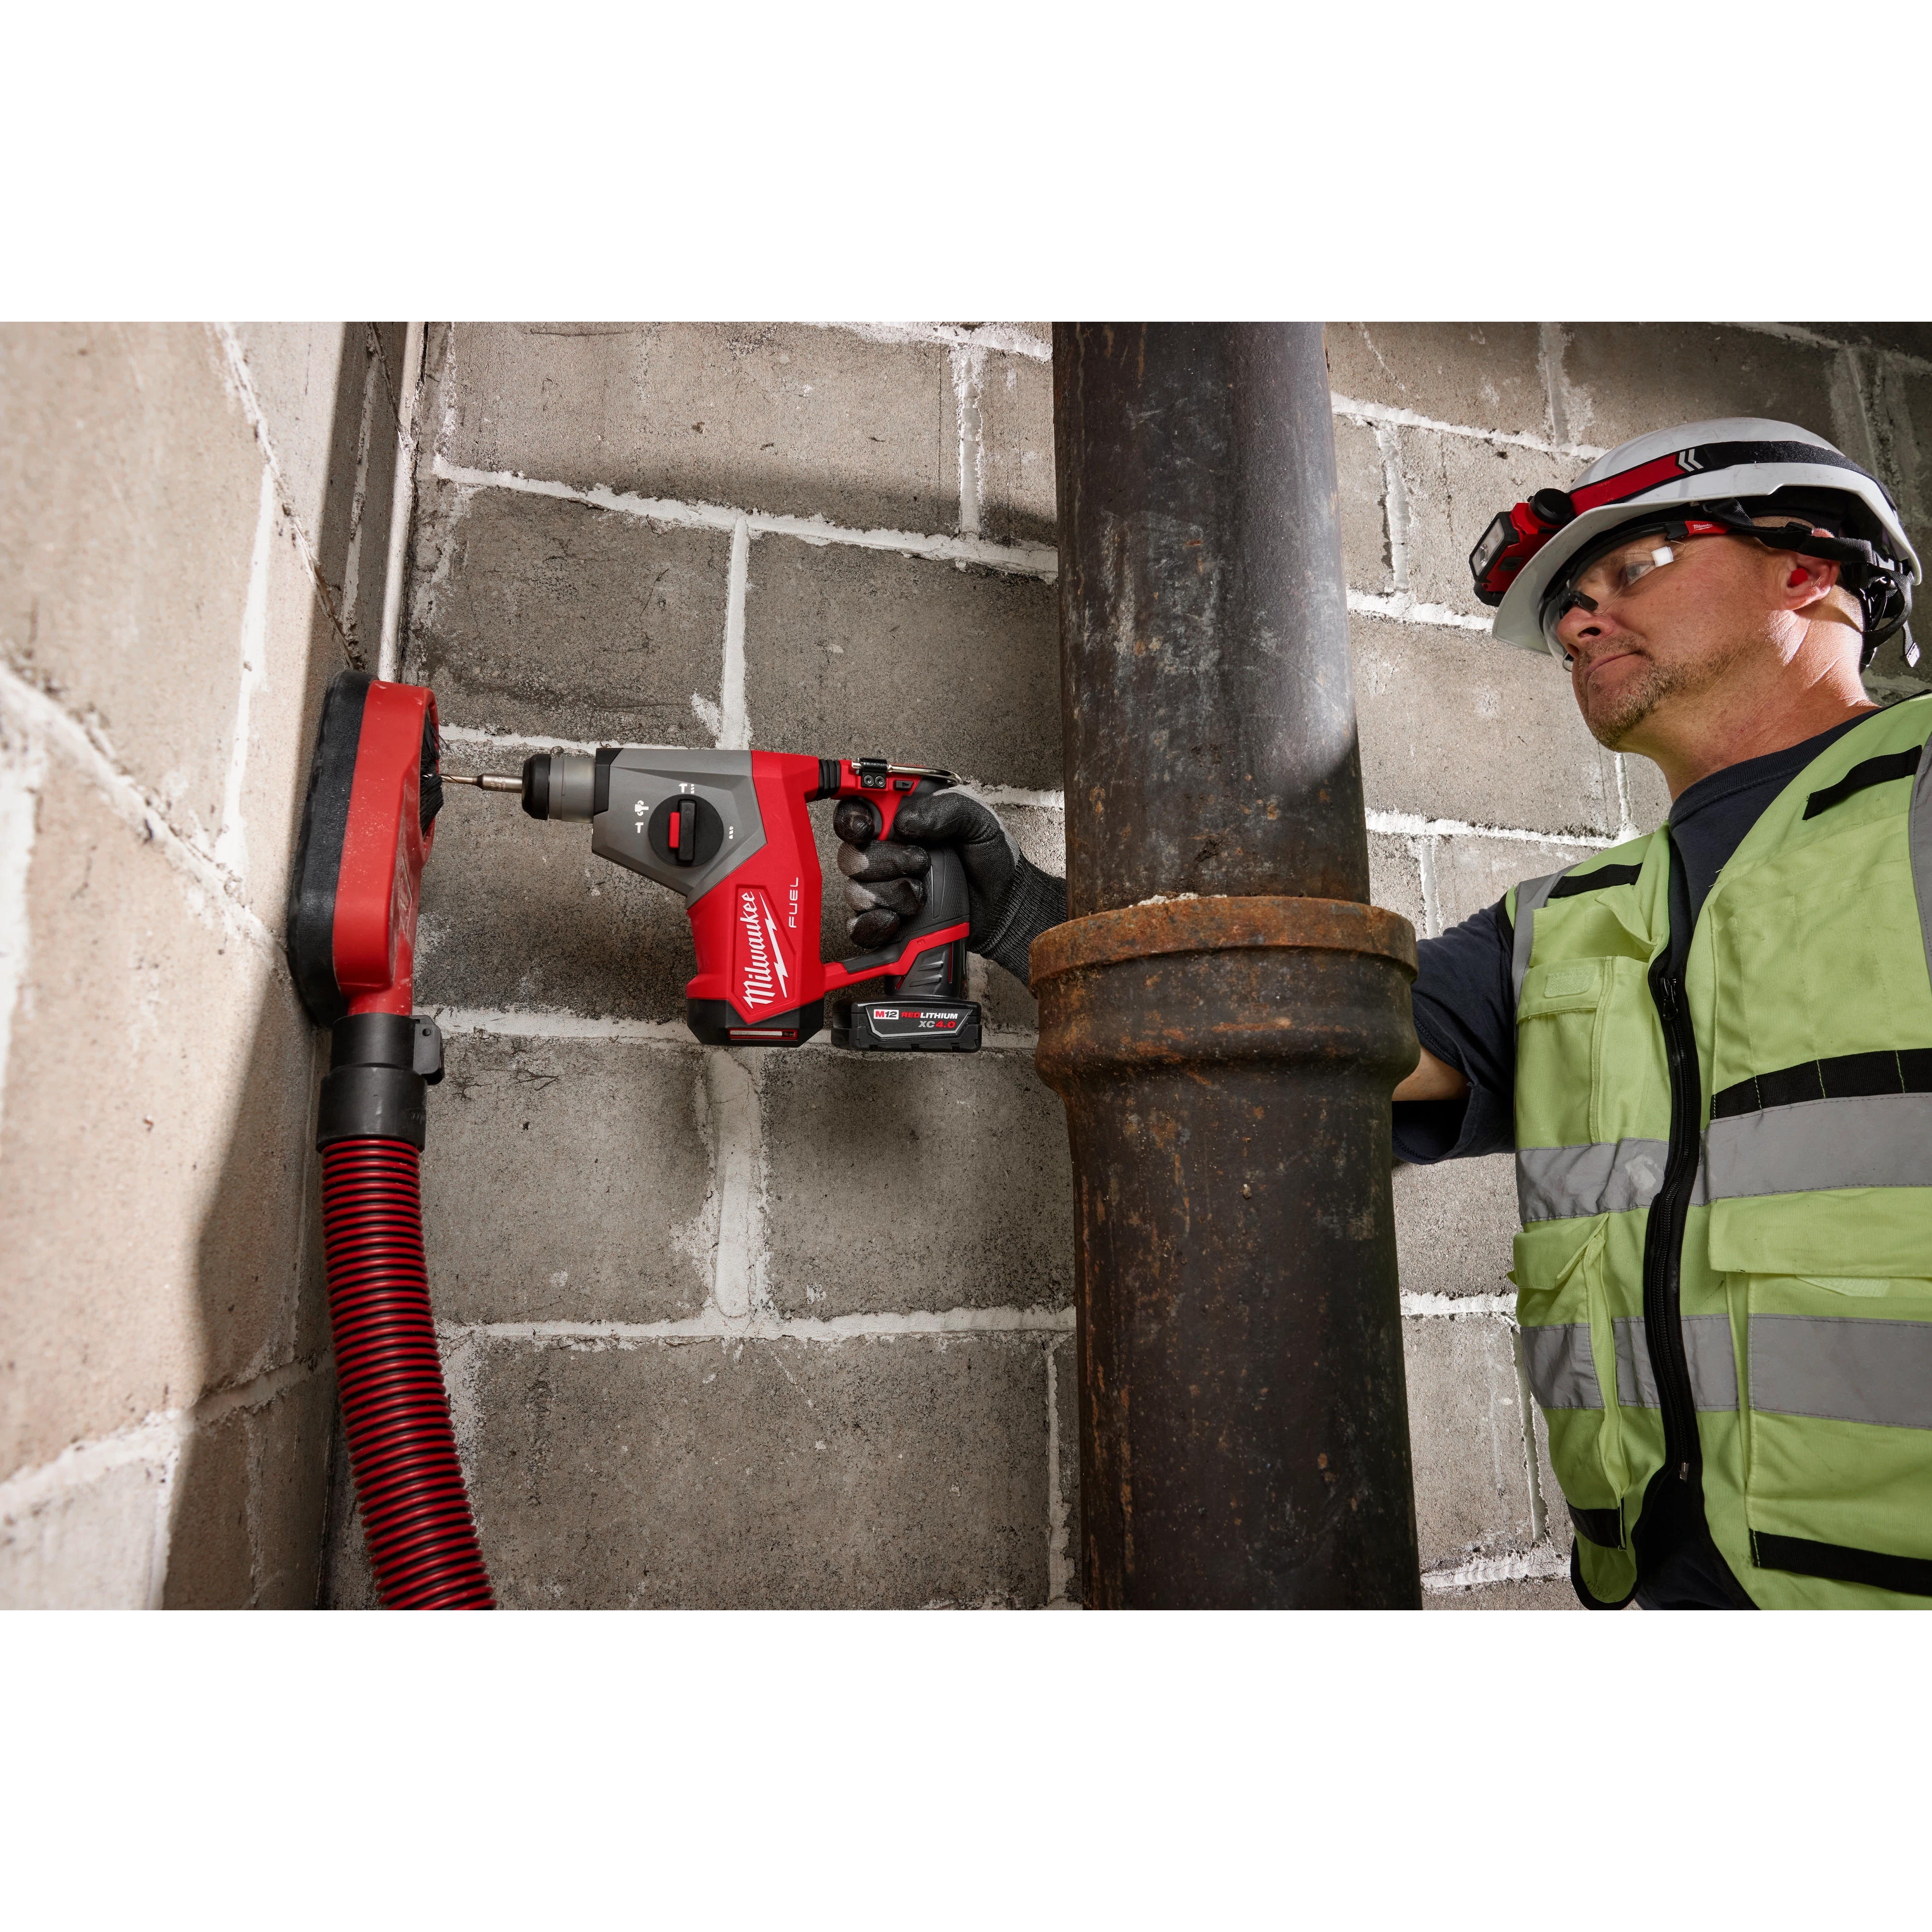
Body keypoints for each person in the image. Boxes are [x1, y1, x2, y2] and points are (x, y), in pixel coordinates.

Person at [838, 416, 1931, 1612]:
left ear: (1805, 566)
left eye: (1634, 567)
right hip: (1677, 1584)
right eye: (1570, 604)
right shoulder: (1572, 922)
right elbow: (1309, 1043)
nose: (1580, 620)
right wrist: (1025, 917)